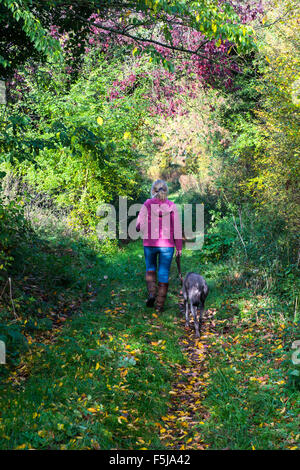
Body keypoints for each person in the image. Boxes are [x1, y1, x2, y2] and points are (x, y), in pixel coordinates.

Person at [136, 180, 182, 312]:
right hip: (167, 245)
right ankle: (159, 306)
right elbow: (177, 229)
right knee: (164, 272)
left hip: (150, 243)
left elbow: (138, 226)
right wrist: (179, 248)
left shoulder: (147, 204)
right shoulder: (172, 206)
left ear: (152, 191)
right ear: (166, 191)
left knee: (150, 268)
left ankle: (151, 294)